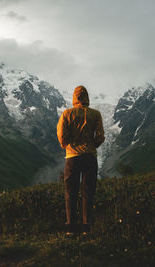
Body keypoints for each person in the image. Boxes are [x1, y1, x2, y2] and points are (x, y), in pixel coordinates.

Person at [57, 85, 105, 236]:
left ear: (74, 98)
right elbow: (100, 136)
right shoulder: (95, 114)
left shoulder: (67, 113)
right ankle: (86, 228)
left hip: (72, 157)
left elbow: (61, 134)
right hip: (90, 156)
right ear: (87, 97)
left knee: (70, 192)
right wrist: (93, 145)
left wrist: (66, 145)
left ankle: (70, 228)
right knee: (88, 192)